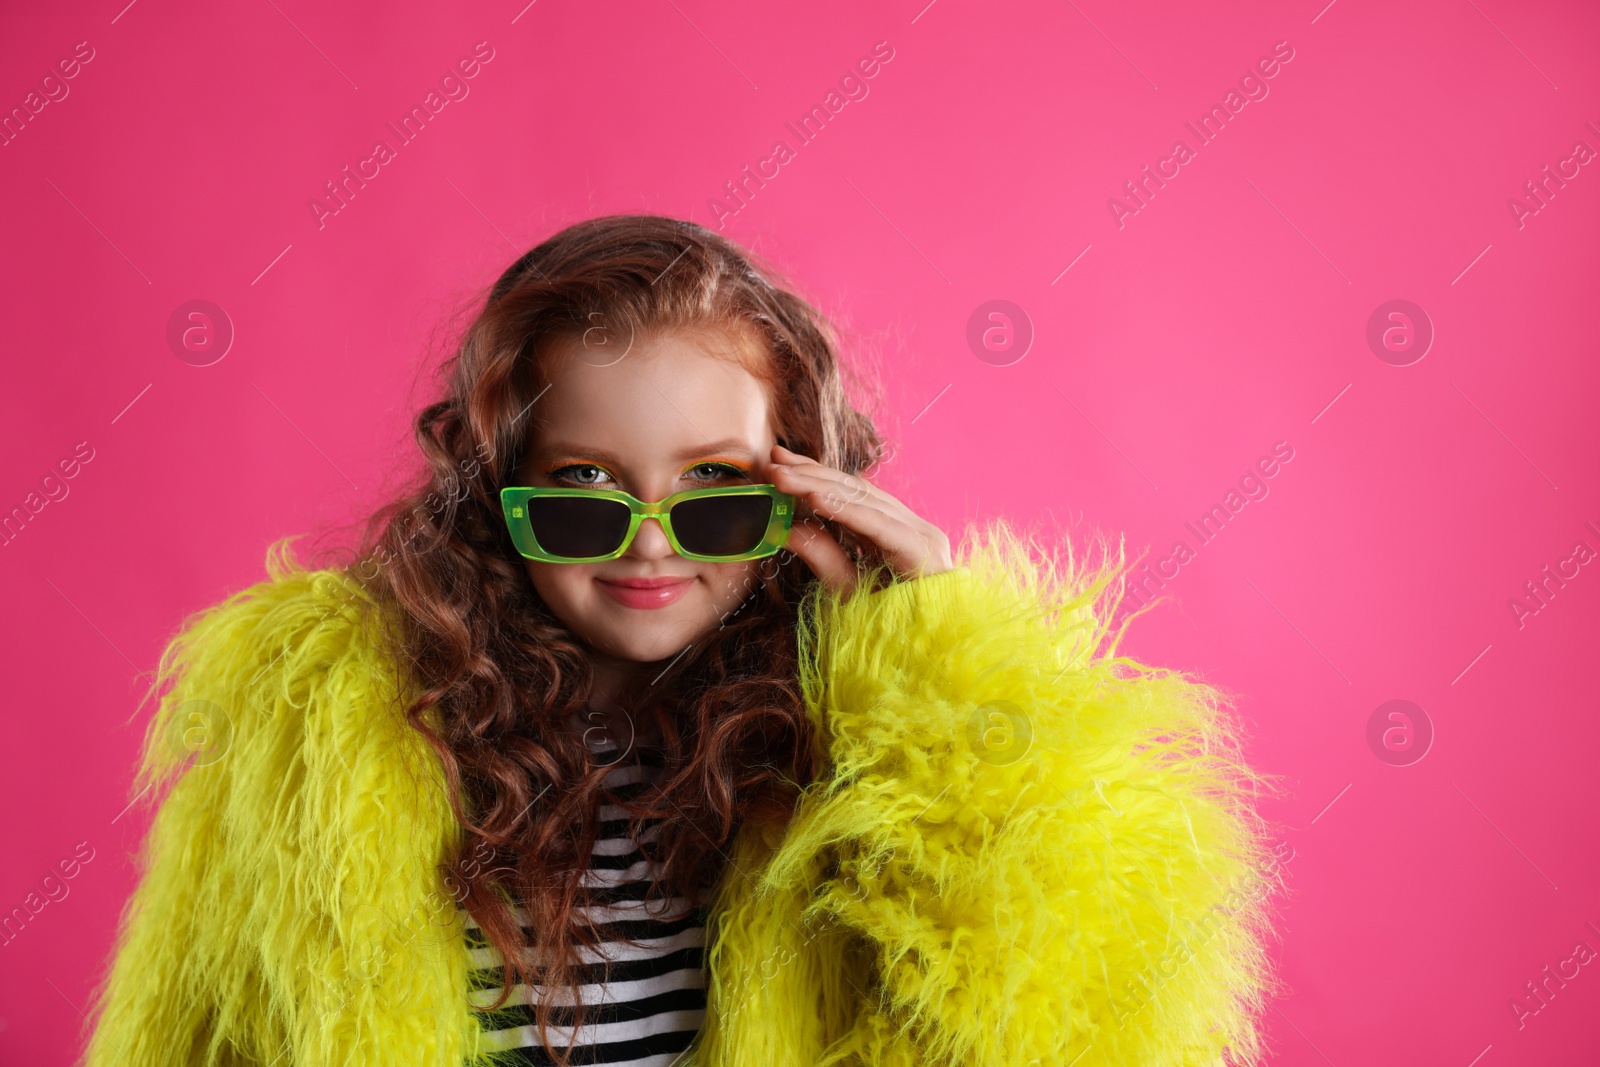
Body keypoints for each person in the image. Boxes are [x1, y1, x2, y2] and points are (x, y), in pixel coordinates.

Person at [84, 215, 1280, 1067]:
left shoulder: (854, 753)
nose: (651, 547)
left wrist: (948, 659)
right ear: (491, 493)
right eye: (583, 490)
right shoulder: (338, 755)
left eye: (713, 489)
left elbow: (1065, 1025)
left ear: (801, 491)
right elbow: (205, 1037)